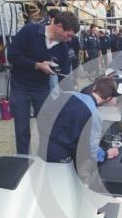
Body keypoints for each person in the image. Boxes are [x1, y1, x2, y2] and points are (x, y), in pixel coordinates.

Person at [8, 11, 79, 154]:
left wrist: (74, 96)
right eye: (69, 35)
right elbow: (13, 55)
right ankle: (23, 160)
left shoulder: (62, 49)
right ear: (59, 26)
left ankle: (44, 158)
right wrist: (37, 65)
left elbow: (65, 76)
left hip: (42, 88)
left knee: (46, 127)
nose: (70, 39)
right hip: (21, 86)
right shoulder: (30, 31)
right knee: (22, 129)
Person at [44, 76, 119, 167]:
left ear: (94, 87)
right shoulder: (95, 115)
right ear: (108, 98)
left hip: (46, 144)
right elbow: (92, 149)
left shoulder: (68, 94)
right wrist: (107, 154)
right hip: (62, 154)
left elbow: (47, 112)